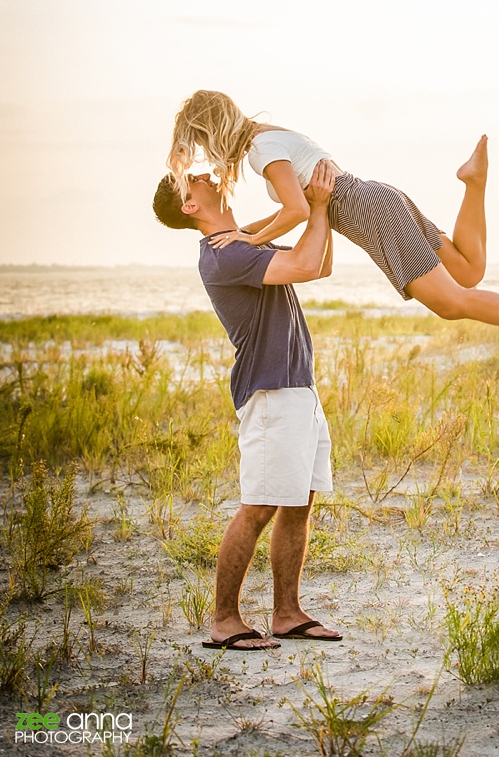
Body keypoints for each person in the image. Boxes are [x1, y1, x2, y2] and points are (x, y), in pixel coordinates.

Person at [167, 90, 499, 376]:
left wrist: (250, 240)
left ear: (213, 132)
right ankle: (474, 183)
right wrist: (244, 231)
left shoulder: (260, 153)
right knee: (468, 269)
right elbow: (297, 204)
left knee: (452, 302)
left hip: (373, 213)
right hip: (378, 198)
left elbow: (297, 209)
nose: (206, 157)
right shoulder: (269, 138)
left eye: (202, 144)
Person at [152, 160, 343, 649]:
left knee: (298, 504)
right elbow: (302, 263)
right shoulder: (225, 254)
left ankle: (287, 614)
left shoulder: (242, 244)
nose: (207, 175)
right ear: (190, 205)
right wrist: (316, 206)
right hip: (271, 392)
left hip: (298, 387)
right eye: (192, 180)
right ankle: (224, 622)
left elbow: (318, 264)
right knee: (258, 507)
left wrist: (321, 213)